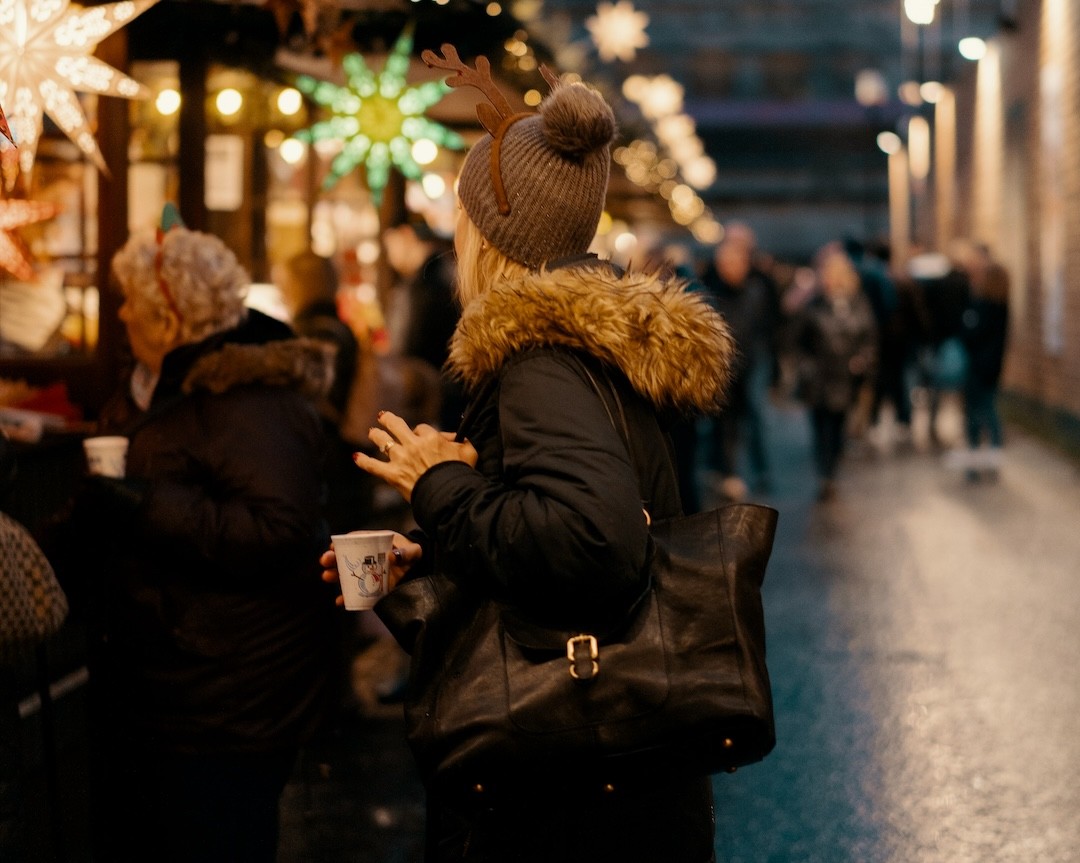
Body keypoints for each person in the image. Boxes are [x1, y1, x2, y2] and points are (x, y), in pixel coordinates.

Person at [321, 57, 735, 862]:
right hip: (617, 777)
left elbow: (594, 540)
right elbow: (554, 527)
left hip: (566, 786)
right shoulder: (589, 344)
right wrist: (432, 551)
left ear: (494, 234)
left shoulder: (541, 358)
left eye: (464, 213)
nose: (455, 231)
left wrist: (438, 481)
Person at [50, 212, 340, 862]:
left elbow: (279, 530)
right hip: (158, 686)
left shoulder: (253, 399)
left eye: (131, 301)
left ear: (169, 318)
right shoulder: (145, 388)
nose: (121, 314)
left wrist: (144, 504)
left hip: (225, 702)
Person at [276, 248, 374, 534]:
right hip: (345, 464)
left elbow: (311, 405)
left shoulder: (313, 334)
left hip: (327, 466)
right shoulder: (339, 329)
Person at [700, 223, 781, 499]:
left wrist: (773, 363)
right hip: (724, 364)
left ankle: (761, 471)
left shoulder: (760, 286)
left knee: (755, 417)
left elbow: (770, 325)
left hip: (753, 360)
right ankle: (727, 472)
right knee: (725, 422)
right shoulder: (710, 286)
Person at [795, 245, 878, 500]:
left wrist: (862, 361)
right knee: (821, 427)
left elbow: (869, 337)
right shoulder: (814, 305)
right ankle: (824, 474)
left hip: (845, 377)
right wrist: (806, 367)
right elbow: (799, 340)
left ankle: (830, 471)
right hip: (819, 376)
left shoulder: (858, 303)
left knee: (838, 427)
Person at [382, 216, 464, 431]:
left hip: (435, 403)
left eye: (390, 245)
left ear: (406, 235)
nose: (389, 256)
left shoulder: (429, 284)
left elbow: (412, 348)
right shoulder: (442, 274)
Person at [957, 243, 1009, 480]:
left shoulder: (983, 306)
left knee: (976, 415)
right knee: (989, 411)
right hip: (992, 367)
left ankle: (974, 462)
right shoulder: (1001, 306)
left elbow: (970, 333)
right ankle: (992, 459)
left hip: (978, 367)